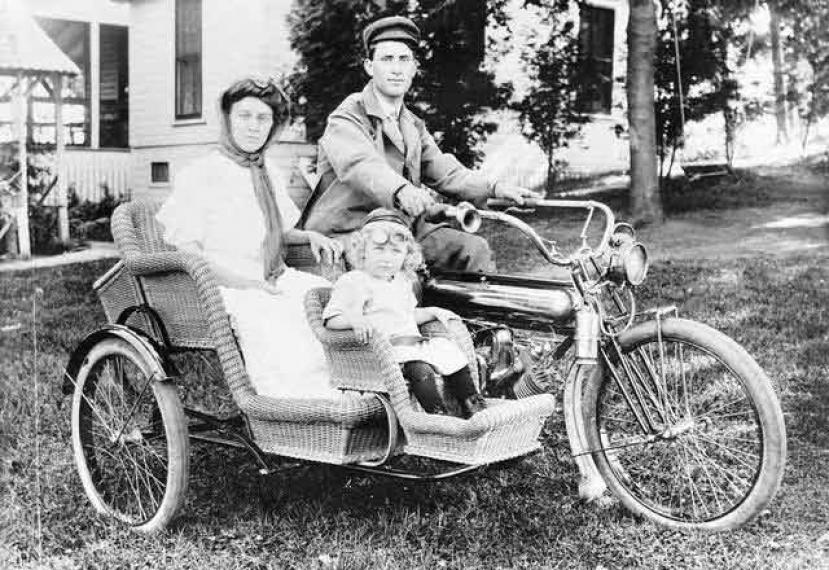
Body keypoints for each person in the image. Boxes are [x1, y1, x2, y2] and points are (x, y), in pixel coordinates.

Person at [300, 15, 538, 273]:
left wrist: (494, 188)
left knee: (472, 250)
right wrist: (401, 190)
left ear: (414, 68)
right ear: (369, 66)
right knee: (397, 276)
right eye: (387, 59)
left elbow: (445, 171)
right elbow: (360, 165)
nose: (396, 69)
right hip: (350, 231)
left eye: (404, 59)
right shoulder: (347, 116)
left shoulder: (412, 125)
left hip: (399, 230)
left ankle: (475, 302)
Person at [156, 77, 343, 399]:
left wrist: (309, 235)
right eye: (244, 116)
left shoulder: (267, 171)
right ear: (228, 118)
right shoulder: (201, 173)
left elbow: (274, 230)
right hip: (220, 285)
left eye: (263, 118)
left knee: (329, 298)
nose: (254, 127)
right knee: (274, 315)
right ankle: (293, 406)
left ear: (274, 126)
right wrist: (246, 283)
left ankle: (342, 391)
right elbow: (189, 251)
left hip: (270, 275)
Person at [323, 208, 486, 418]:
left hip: (411, 345)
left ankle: (473, 405)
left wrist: (433, 312)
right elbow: (331, 320)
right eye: (379, 250)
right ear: (363, 250)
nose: (387, 259)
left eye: (395, 252)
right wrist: (356, 320)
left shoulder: (401, 281)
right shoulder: (354, 281)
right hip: (382, 351)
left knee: (449, 351)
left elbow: (407, 316)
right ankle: (437, 416)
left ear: (406, 255)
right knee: (420, 368)